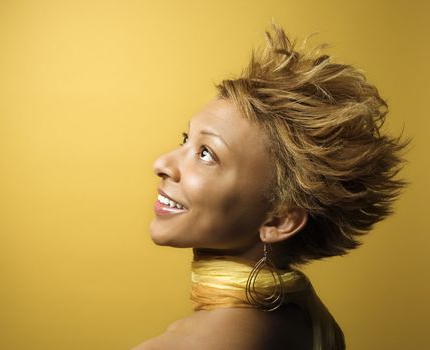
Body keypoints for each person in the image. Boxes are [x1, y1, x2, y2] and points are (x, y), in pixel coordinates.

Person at [132, 23, 407, 350]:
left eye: (207, 154)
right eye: (185, 139)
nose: (162, 163)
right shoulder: (299, 316)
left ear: (279, 220)